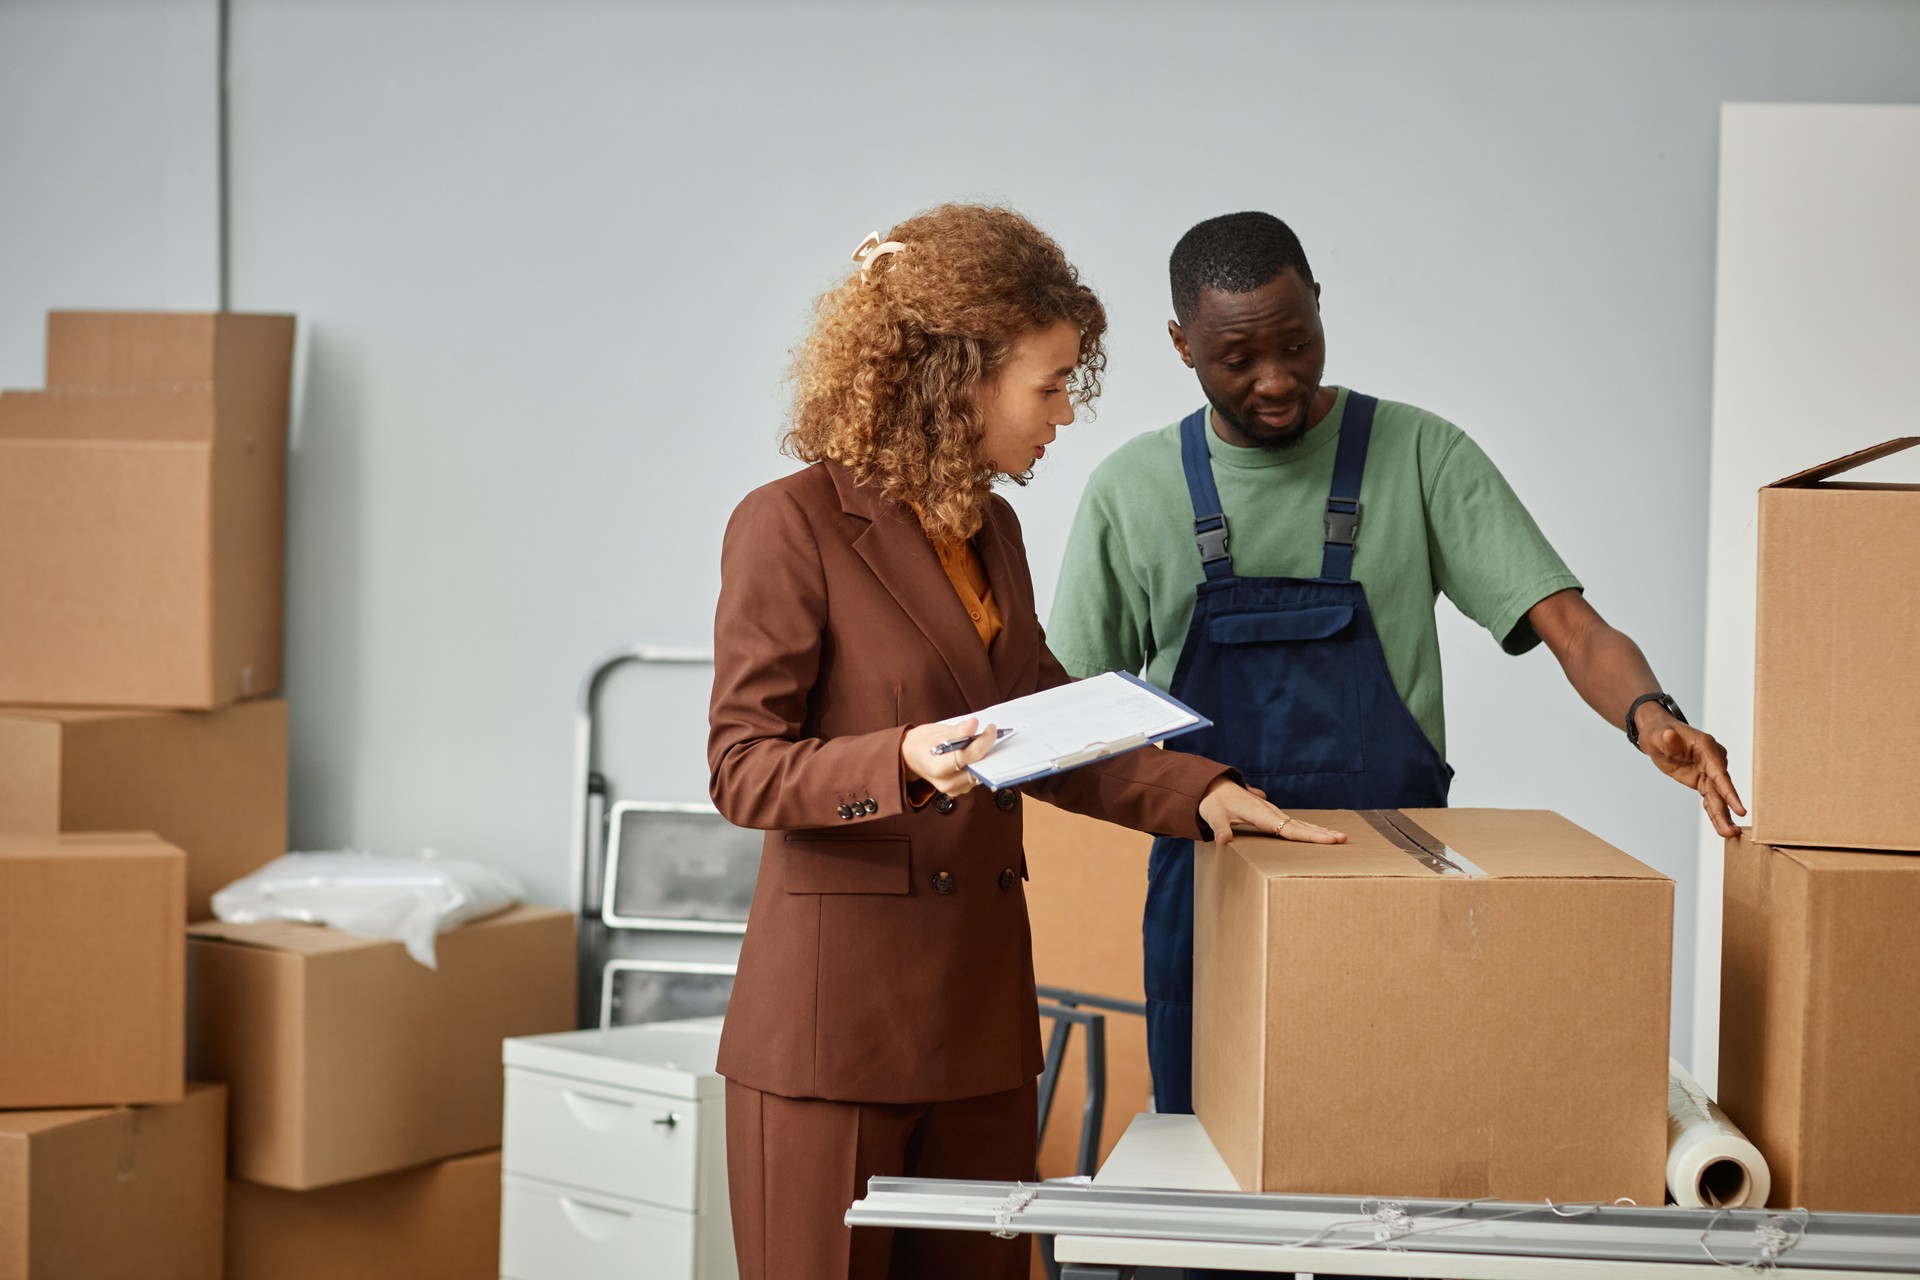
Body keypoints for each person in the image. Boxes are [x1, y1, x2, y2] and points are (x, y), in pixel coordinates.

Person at [706, 204, 1344, 1280]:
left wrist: (1201, 793)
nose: (1063, 413)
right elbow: (742, 766)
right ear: (961, 376)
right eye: (1048, 385)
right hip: (833, 1036)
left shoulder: (989, 529)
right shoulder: (790, 523)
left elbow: (1045, 717)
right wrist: (898, 758)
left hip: (979, 1031)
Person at [1047, 210, 1746, 1119]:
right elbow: (1066, 717)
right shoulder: (1130, 491)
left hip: (1394, 897)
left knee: (1391, 1175)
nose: (1277, 380)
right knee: (1213, 1208)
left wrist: (1652, 715)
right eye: (1238, 359)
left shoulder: (1421, 455)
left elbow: (1572, 627)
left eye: (1299, 344)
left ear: (1320, 306)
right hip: (1210, 902)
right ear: (1182, 344)